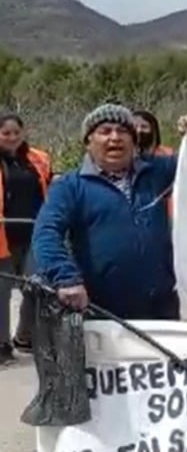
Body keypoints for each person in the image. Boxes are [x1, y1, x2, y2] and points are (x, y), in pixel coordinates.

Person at [33, 104, 178, 321]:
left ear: (134, 141)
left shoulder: (156, 172)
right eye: (105, 131)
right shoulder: (70, 186)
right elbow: (46, 233)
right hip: (100, 310)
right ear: (88, 142)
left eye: (123, 131)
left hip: (162, 307)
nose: (115, 137)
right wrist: (66, 278)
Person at [0, 114, 51, 361]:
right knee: (2, 292)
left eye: (15, 132)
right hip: (2, 236)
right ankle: (2, 345)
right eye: (5, 133)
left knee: (37, 286)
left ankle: (25, 336)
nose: (11, 137)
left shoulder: (38, 159)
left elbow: (50, 189)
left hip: (34, 233)